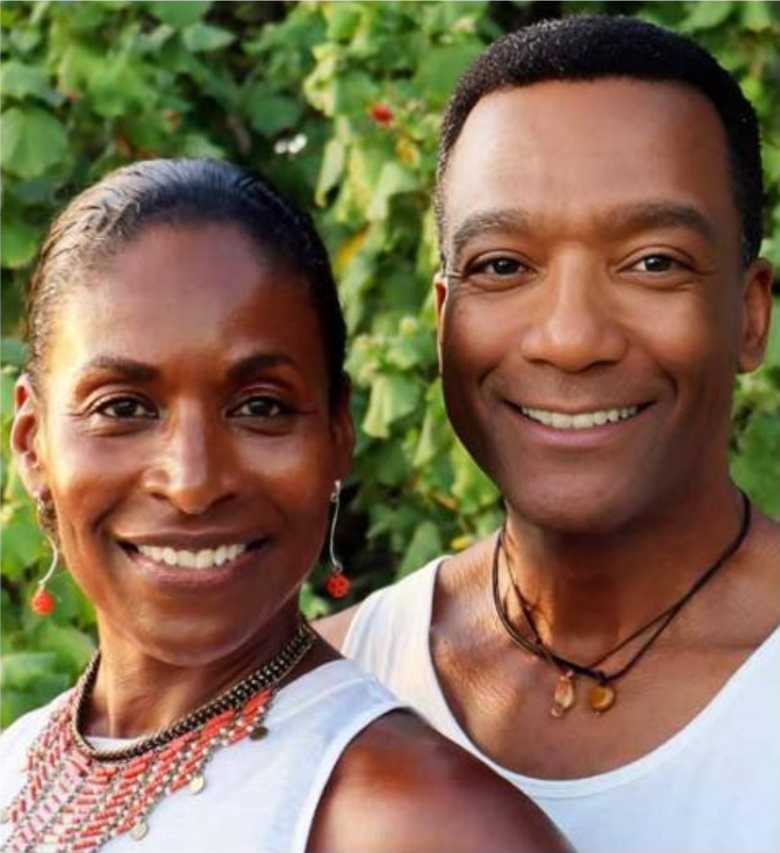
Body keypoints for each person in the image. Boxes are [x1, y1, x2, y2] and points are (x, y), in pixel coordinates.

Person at [0, 158, 572, 853]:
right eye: (123, 408)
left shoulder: (420, 824)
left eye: (260, 407)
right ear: (32, 443)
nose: (192, 482)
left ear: (338, 435)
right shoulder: (18, 763)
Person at [317, 15, 780, 853]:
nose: (570, 338)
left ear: (751, 315)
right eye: (503, 265)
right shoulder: (337, 690)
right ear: (444, 318)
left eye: (654, 262)